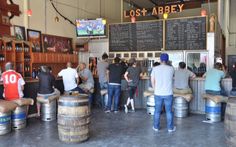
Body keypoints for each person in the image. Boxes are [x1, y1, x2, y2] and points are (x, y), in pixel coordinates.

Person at [151, 53, 176, 132]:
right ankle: (170, 128)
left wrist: (155, 89)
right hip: (168, 93)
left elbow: (152, 80)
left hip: (158, 93)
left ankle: (156, 127)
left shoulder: (155, 68)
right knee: (169, 111)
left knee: (157, 111)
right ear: (167, 60)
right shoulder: (171, 69)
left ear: (160, 59)